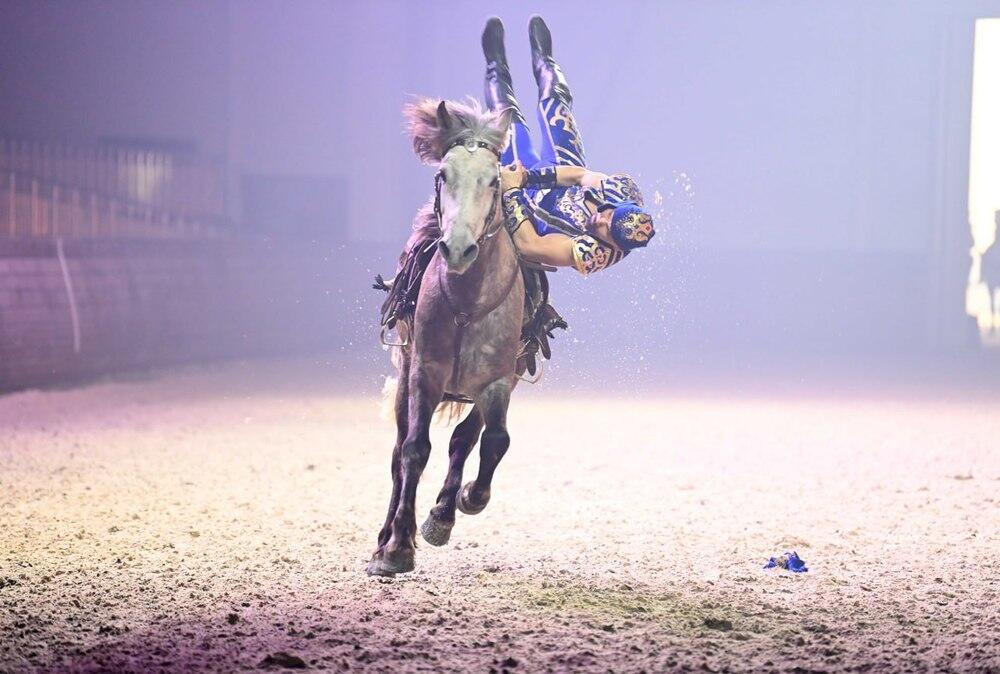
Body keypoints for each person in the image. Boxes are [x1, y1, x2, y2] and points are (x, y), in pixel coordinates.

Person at [485, 15, 656, 275]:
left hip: (530, 208)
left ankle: (495, 67)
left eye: (605, 228)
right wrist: (529, 177)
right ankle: (545, 61)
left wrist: (513, 191)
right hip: (561, 168)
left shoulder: (593, 253)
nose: (600, 218)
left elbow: (531, 245)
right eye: (609, 213)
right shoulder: (622, 191)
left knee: (503, 117)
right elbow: (579, 174)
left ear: (614, 245)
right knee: (555, 103)